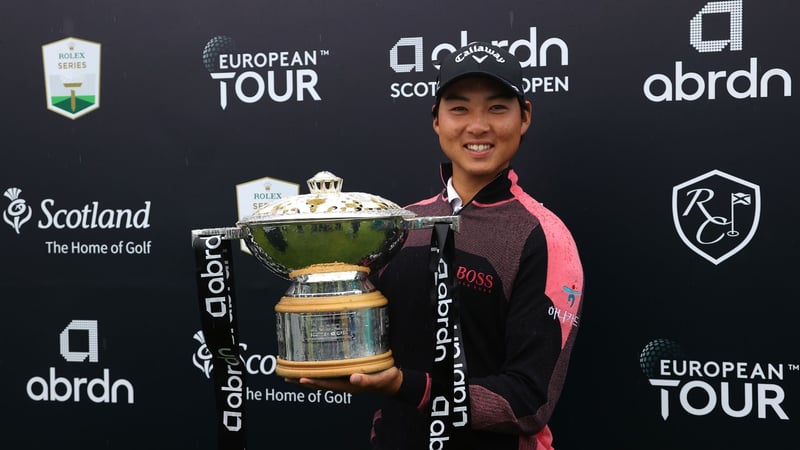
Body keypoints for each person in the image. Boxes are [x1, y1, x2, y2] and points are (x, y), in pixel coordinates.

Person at [289, 41, 585, 450]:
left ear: (525, 117)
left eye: (497, 108)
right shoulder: (398, 226)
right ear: (436, 120)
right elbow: (365, 340)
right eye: (459, 108)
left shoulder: (544, 236)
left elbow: (528, 402)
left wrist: (409, 387)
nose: (477, 126)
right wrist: (324, 344)